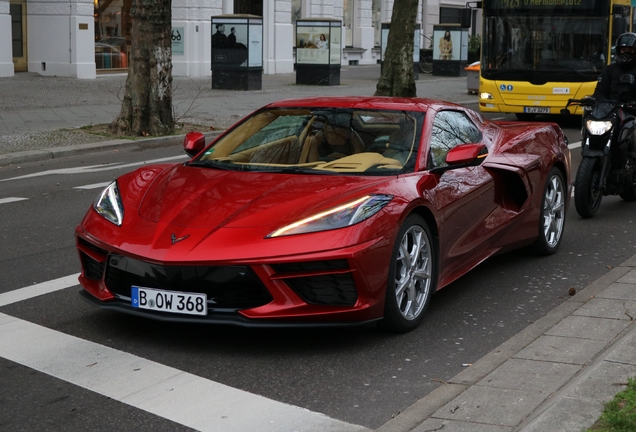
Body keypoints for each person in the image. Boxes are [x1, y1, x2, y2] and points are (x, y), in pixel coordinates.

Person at [593, 33, 636, 102]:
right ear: (619, 51)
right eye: (623, 50)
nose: (626, 54)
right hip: (613, 110)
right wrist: (606, 104)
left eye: (630, 50)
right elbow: (600, 93)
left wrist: (634, 84)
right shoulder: (609, 70)